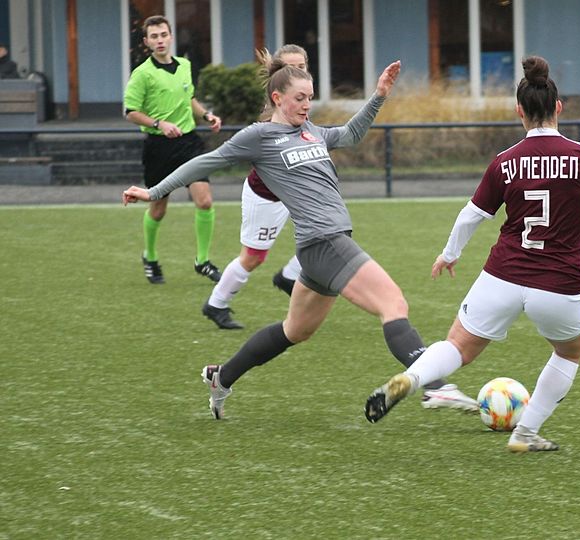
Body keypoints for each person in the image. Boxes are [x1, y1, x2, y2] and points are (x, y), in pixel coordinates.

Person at [363, 56, 580, 453]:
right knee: (569, 351)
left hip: (502, 275)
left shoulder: (504, 161)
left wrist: (449, 254)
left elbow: (471, 215)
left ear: (519, 111)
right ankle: (525, 433)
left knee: (458, 346)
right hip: (559, 284)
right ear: (558, 107)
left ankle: (411, 380)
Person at [123, 57, 478, 418]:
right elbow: (205, 162)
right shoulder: (258, 137)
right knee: (394, 305)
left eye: (310, 98)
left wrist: (378, 96)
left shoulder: (312, 131)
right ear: (277, 98)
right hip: (326, 243)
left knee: (295, 330)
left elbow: (351, 134)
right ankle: (434, 387)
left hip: (316, 249)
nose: (307, 105)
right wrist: (154, 191)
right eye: (299, 98)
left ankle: (222, 376)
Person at [201, 44, 310, 331]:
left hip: (293, 192)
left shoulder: (302, 101)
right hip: (267, 195)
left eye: (303, 66)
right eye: (291, 68)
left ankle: (289, 276)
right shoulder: (276, 110)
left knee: (328, 233)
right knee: (252, 257)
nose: (299, 72)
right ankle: (216, 303)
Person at [123, 15, 223, 285]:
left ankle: (202, 261)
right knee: (158, 210)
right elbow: (130, 112)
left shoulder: (185, 66)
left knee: (204, 201)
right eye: (153, 36)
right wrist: (159, 124)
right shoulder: (142, 73)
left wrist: (207, 116)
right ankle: (150, 256)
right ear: (146, 42)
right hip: (159, 147)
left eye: (163, 35)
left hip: (189, 143)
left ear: (170, 37)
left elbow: (188, 98)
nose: (159, 40)